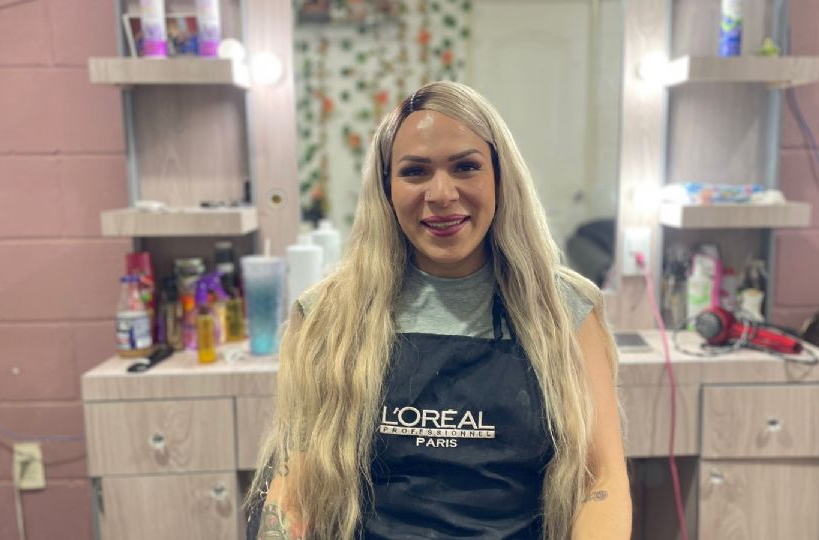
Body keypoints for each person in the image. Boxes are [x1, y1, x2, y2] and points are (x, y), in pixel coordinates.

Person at [245, 81, 632, 539]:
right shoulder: (329, 316)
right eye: (415, 172)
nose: (442, 194)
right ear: (387, 188)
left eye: (466, 166)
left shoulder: (565, 311)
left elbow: (601, 481)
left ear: (500, 176)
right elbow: (294, 493)